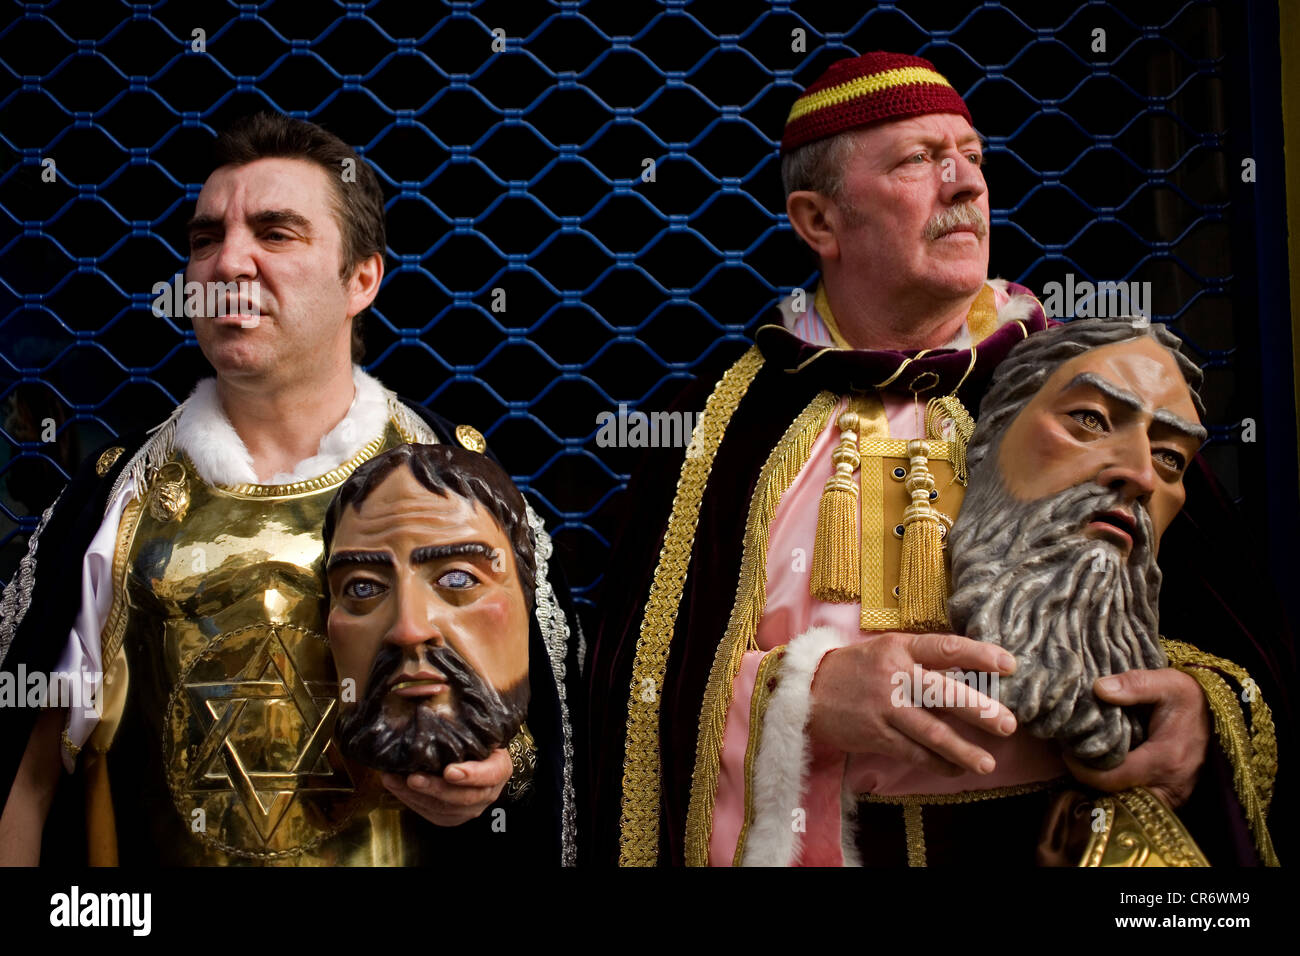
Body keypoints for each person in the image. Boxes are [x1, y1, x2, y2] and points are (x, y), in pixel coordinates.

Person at [584, 51, 1286, 867]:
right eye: (919, 160)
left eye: (973, 159)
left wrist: (1201, 713)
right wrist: (798, 698)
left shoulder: (1103, 389)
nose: (965, 185)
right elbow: (630, 700)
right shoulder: (718, 428)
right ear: (818, 222)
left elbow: (1246, 645)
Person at [0, 113, 578, 866]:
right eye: (206, 239)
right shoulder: (108, 510)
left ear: (362, 278)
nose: (227, 262)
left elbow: (550, 756)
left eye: (275, 233)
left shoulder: (457, 490)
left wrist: (499, 777)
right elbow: (24, 780)